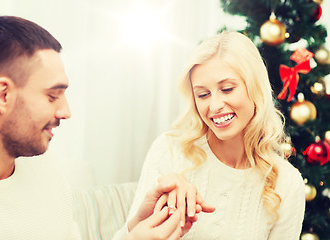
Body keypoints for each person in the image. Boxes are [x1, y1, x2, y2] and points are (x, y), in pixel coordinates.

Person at [0, 15, 189, 240]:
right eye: (52, 96)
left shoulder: (42, 164)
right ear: (3, 95)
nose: (65, 112)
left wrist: (133, 230)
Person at [114, 31, 305, 239]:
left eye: (227, 89)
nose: (214, 106)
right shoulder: (170, 150)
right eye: (203, 95)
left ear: (255, 89)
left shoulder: (287, 184)